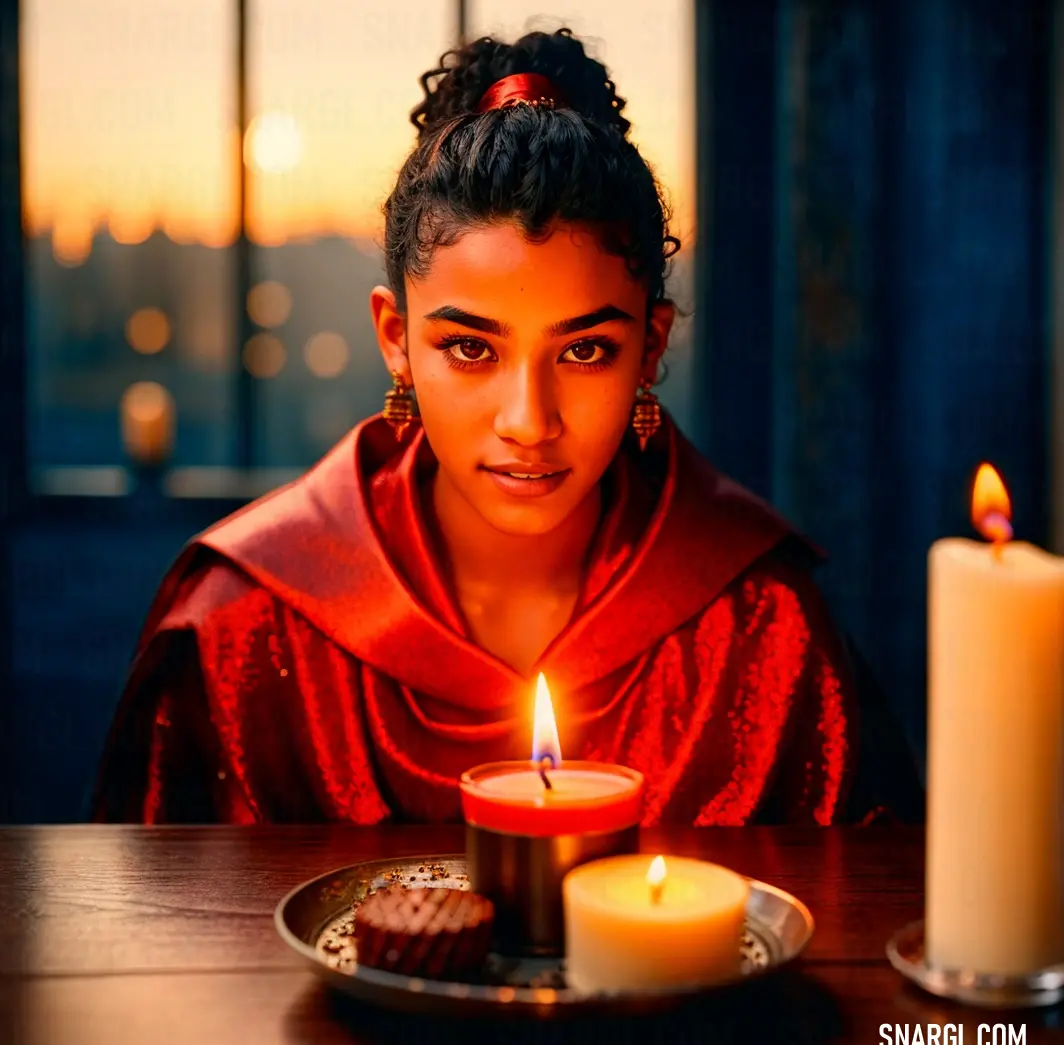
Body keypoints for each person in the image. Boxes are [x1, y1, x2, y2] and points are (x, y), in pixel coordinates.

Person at [92, 28, 908, 827]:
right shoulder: (243, 628)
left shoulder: (762, 628)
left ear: (651, 347)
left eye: (586, 349)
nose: (529, 422)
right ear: (396, 340)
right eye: (470, 348)